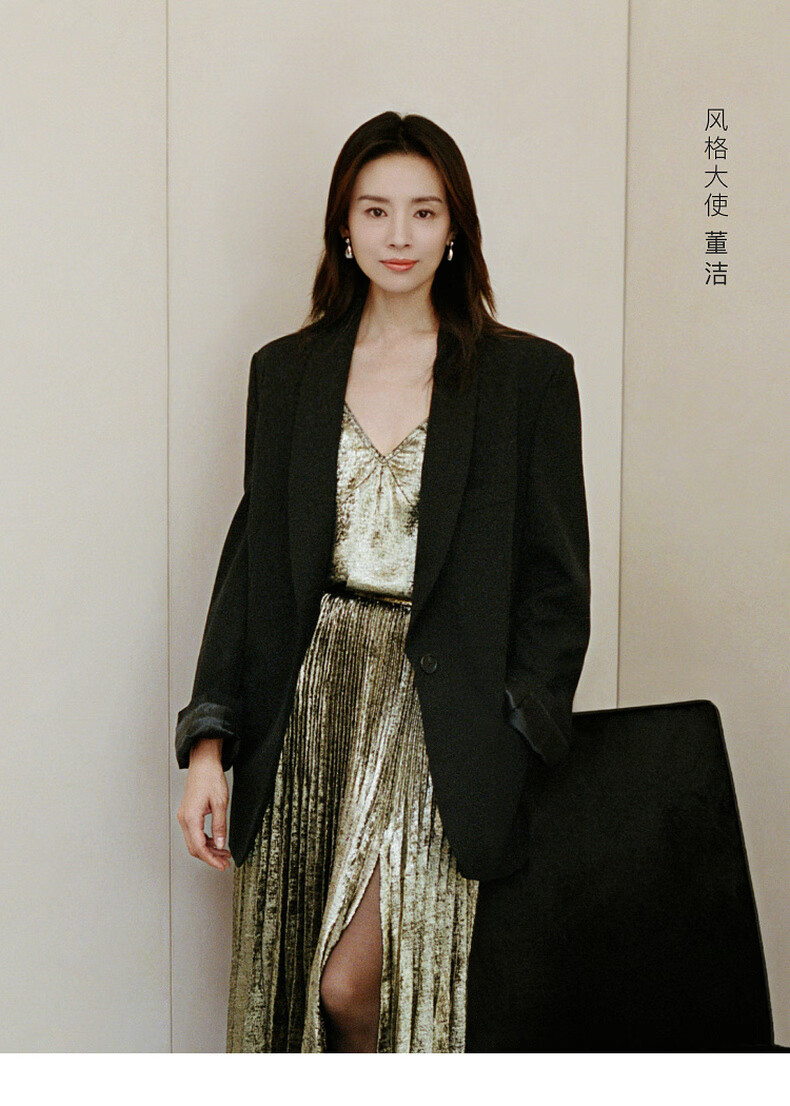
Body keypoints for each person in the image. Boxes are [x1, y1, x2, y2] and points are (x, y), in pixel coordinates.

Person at [175, 111, 590, 1053]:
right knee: (294, 988)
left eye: (424, 212)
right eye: (376, 211)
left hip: (441, 711)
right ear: (344, 227)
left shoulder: (526, 378)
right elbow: (251, 568)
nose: (399, 235)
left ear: (456, 229)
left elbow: (557, 586)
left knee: (353, 984)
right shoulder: (287, 373)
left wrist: (515, 732)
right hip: (309, 700)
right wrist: (207, 744)